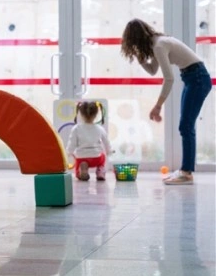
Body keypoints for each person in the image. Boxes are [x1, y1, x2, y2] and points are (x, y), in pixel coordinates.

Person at [121, 18, 212, 185]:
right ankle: (186, 170)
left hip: (197, 78)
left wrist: (157, 106)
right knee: (186, 125)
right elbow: (152, 70)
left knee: (186, 125)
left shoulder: (159, 45)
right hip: (192, 78)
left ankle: (186, 172)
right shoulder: (157, 43)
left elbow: (168, 79)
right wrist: (140, 58)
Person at [65, 101, 112, 181]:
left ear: (81, 114)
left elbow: (72, 143)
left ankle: (82, 170)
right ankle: (100, 170)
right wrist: (109, 151)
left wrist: (68, 153)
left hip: (81, 157)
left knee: (79, 163)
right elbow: (106, 142)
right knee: (103, 157)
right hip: (96, 158)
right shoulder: (99, 128)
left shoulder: (76, 128)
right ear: (96, 115)